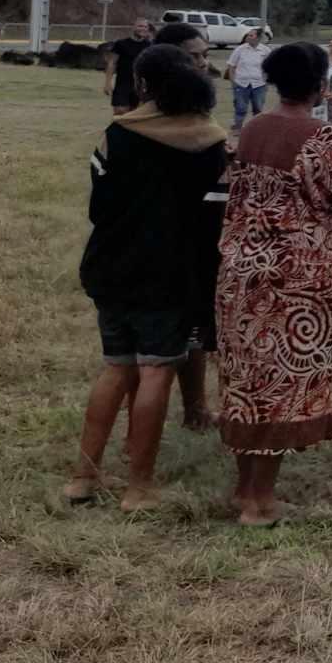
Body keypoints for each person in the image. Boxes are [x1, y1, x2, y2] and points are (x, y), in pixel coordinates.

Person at [64, 44, 228, 511]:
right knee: (156, 370)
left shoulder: (118, 134)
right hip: (171, 274)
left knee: (116, 367)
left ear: (141, 84)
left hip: (111, 267)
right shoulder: (211, 143)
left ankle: (82, 478)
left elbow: (98, 207)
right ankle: (139, 488)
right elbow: (213, 224)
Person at [216, 42, 332, 525]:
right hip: (297, 280)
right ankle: (260, 501)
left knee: (248, 383)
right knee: (282, 386)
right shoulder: (321, 137)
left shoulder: (252, 128)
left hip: (242, 269)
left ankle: (244, 487)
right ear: (320, 86)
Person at [148, 21, 228, 429]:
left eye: (205, 55)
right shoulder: (141, 127)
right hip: (162, 245)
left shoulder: (202, 120)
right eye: (193, 57)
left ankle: (195, 409)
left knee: (196, 328)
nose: (202, 64)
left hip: (195, 245)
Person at [102, 17, 154, 113]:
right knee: (120, 112)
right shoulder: (121, 44)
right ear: (133, 27)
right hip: (122, 84)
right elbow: (112, 63)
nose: (143, 29)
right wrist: (107, 83)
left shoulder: (150, 46)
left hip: (140, 87)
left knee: (136, 115)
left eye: (145, 27)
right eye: (140, 26)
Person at [226, 28, 269, 132]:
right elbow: (231, 65)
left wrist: (266, 80)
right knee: (240, 108)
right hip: (241, 84)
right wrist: (233, 81)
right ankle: (238, 128)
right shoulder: (240, 49)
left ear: (258, 38)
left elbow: (271, 66)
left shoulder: (265, 51)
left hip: (259, 85)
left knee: (258, 109)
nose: (247, 37)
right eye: (248, 35)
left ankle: (256, 130)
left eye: (251, 35)